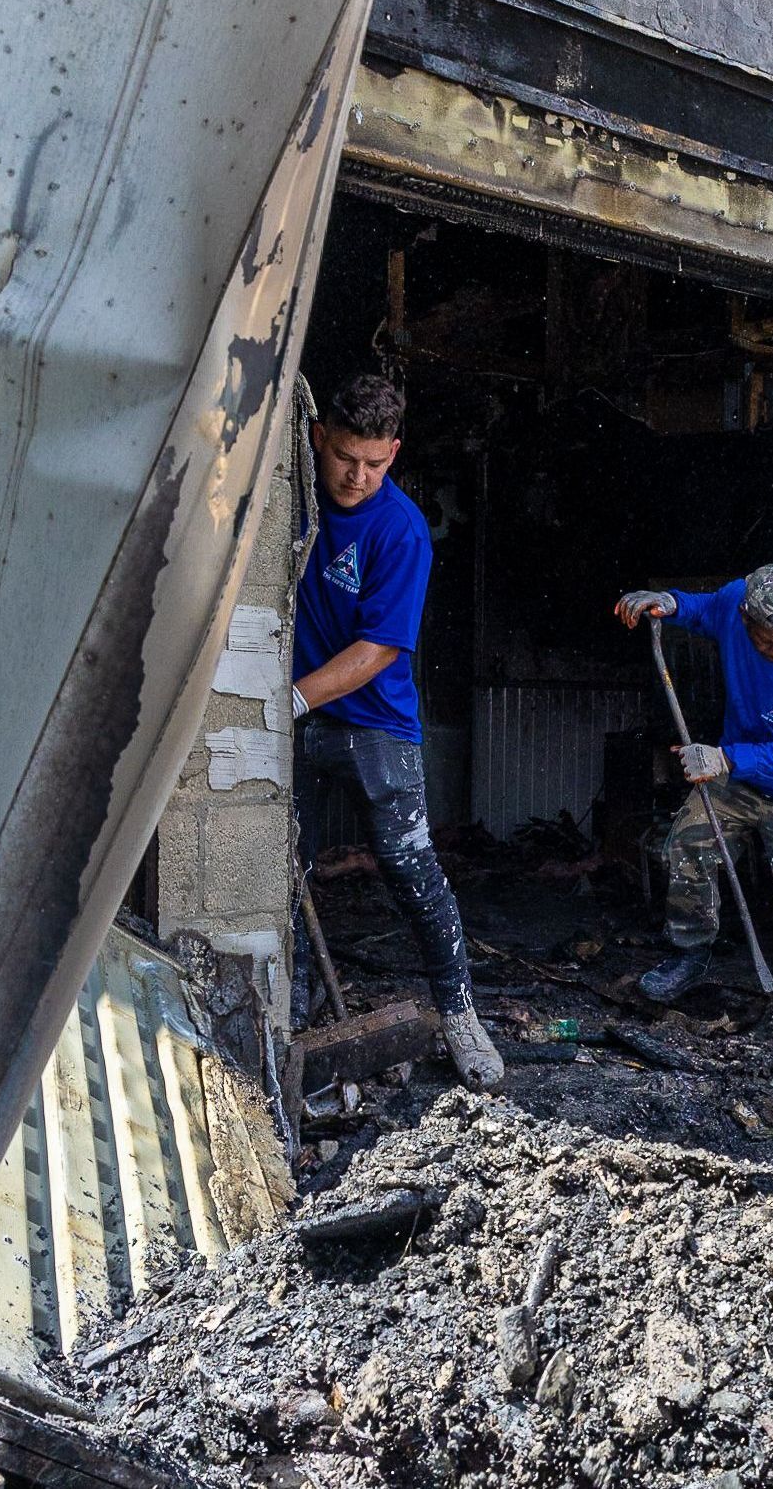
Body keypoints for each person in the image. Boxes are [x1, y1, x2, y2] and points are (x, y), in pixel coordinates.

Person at [292, 367, 503, 1089]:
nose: (356, 476)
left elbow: (377, 649)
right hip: (295, 718)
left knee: (411, 866)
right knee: (283, 870)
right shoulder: (291, 500)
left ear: (395, 452)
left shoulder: (401, 529)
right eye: (344, 457)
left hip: (373, 722)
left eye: (374, 463)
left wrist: (289, 699)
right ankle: (288, 1011)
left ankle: (459, 1013)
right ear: (318, 438)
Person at [614, 564, 773, 1048]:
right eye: (770, 642)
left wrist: (723, 757)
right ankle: (691, 950)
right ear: (745, 617)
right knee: (687, 843)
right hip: (741, 778)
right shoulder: (732, 604)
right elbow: (702, 609)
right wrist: (669, 600)